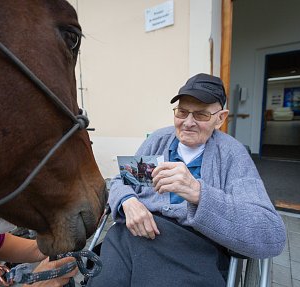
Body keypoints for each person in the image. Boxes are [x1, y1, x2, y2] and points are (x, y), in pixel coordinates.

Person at [88, 73, 286, 287]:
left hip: (192, 251)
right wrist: (128, 201)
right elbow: (120, 181)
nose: (188, 123)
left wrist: (199, 194)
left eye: (201, 115)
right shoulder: (159, 141)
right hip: (131, 238)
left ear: (220, 118)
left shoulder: (231, 155)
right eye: (182, 112)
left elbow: (270, 234)